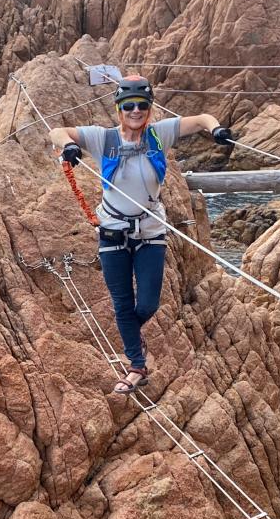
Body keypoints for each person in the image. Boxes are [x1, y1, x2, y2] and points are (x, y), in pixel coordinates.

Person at [50, 76, 238, 394]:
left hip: (150, 232)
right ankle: (137, 366)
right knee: (122, 303)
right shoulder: (103, 139)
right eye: (129, 105)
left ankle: (132, 339)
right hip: (112, 232)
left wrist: (215, 129)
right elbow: (57, 130)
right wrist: (69, 146)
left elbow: (201, 120)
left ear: (149, 108)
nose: (136, 111)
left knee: (148, 303)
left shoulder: (157, 134)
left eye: (142, 105)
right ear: (119, 108)